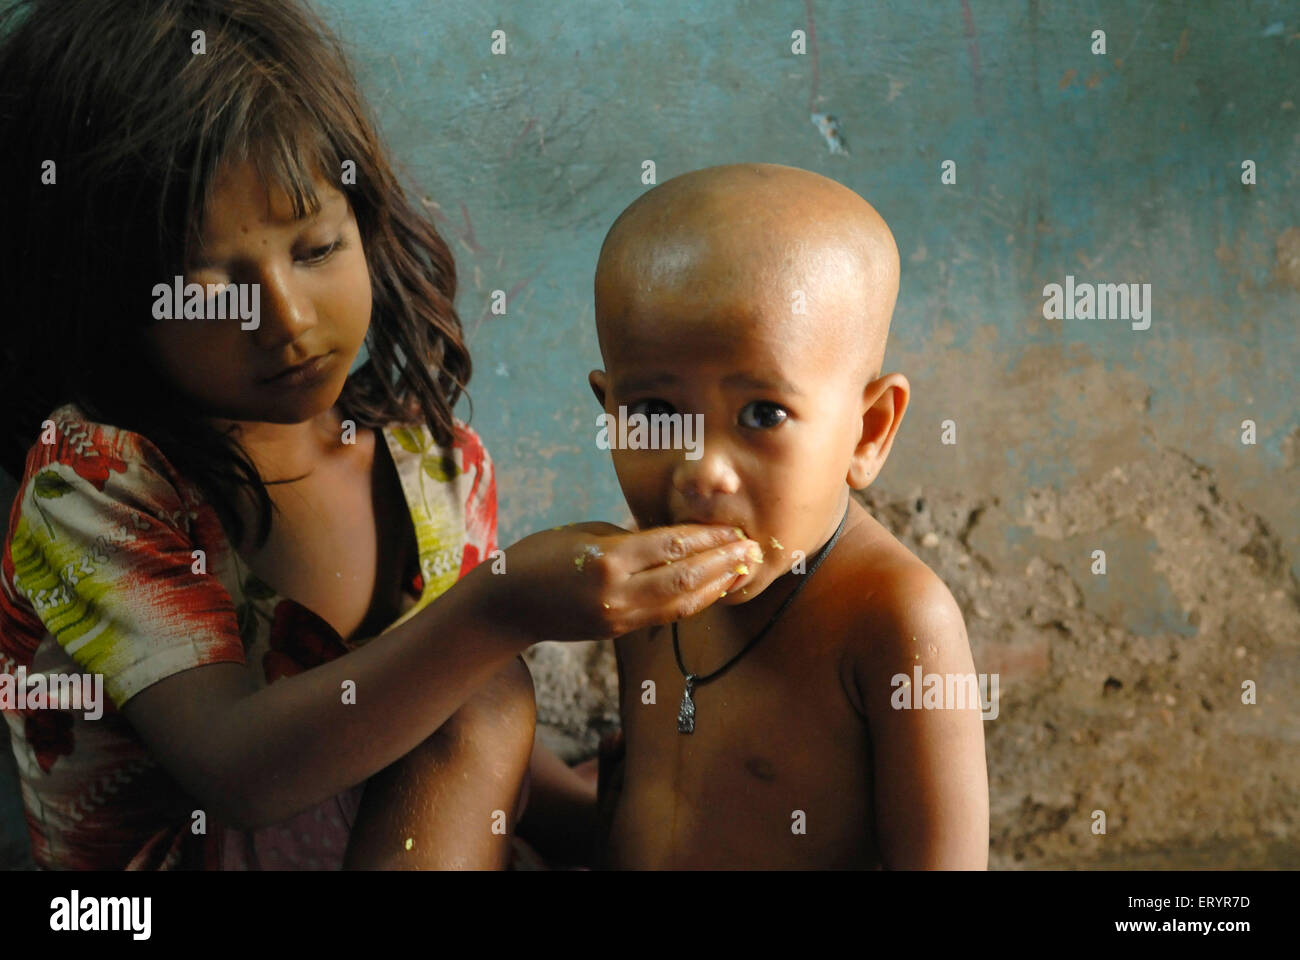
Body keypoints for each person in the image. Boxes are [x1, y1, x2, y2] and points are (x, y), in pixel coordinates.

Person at [0, 0, 762, 870]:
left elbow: (434, 730)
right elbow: (238, 772)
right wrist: (506, 606)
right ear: (104, 295)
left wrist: (597, 820)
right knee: (488, 691)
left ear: (366, 223)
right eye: (209, 288)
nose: (283, 318)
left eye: (317, 249)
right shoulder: (97, 488)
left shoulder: (429, 462)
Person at [590, 163, 990, 869]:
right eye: (654, 413)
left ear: (868, 433)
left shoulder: (896, 618)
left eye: (762, 414)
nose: (701, 469)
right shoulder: (636, 588)